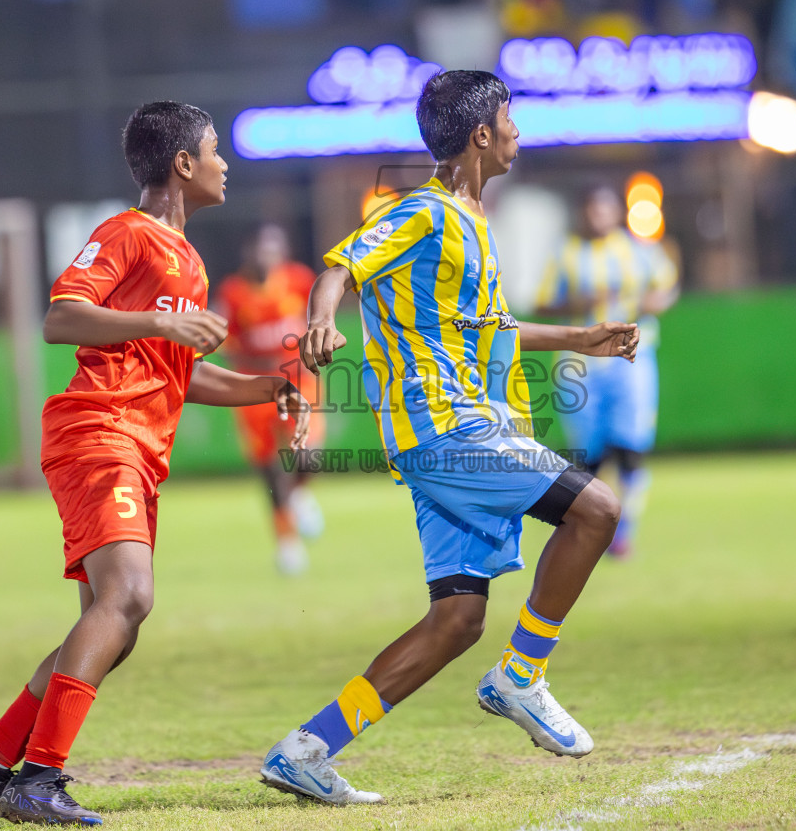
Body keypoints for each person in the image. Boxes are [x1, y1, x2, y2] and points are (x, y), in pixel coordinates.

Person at [257, 70, 637, 805]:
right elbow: (342, 262)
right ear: (481, 135)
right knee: (596, 510)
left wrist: (578, 340)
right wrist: (320, 316)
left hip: (453, 434)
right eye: (510, 119)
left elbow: (491, 330)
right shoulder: (424, 212)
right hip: (445, 428)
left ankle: (305, 750)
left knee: (456, 619)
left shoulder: (470, 223)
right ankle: (521, 676)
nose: (518, 132)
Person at [0, 102, 310, 826]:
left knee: (116, 627)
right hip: (98, 433)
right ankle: (37, 781)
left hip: (138, 446)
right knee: (129, 597)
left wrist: (263, 387)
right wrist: (158, 320)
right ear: (181, 164)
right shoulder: (125, 234)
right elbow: (60, 317)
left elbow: (176, 374)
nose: (224, 163)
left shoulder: (190, 262)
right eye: (213, 150)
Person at [534, 186, 679, 557]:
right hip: (578, 368)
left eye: (605, 208)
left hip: (632, 359)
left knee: (631, 446)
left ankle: (625, 527)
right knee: (589, 457)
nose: (598, 215)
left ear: (616, 212)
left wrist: (654, 302)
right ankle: (595, 526)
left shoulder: (638, 250)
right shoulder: (567, 252)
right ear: (584, 212)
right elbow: (542, 304)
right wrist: (577, 303)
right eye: (592, 208)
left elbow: (668, 286)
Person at [214, 222, 327, 576]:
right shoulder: (232, 294)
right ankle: (286, 542)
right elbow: (225, 344)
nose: (267, 257)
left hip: (299, 382)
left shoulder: (298, 280)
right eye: (261, 249)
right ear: (248, 254)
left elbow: (315, 321)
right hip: (256, 389)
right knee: (269, 470)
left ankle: (301, 495)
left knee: (308, 455)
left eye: (273, 249)